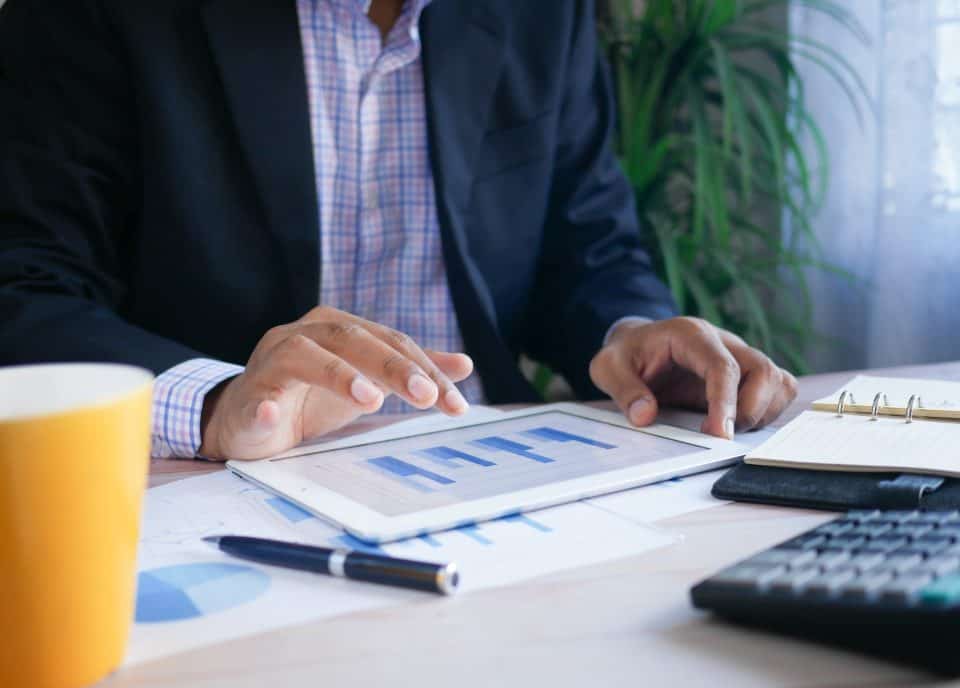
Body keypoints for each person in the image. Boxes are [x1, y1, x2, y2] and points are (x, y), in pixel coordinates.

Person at [0, 0, 796, 461]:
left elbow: (585, 241)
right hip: (214, 486)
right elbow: (25, 288)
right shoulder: (96, 12)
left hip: (492, 468)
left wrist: (635, 334)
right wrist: (216, 404)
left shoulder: (539, 11)